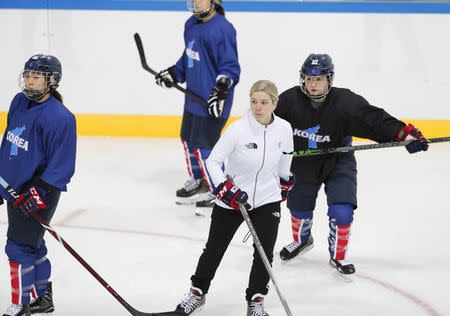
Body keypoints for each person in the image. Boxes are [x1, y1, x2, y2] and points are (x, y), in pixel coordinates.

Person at [275, 53, 429, 275]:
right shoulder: (289, 100)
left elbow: (373, 119)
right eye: (309, 78)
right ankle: (302, 241)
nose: (313, 84)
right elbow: (268, 125)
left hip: (338, 160)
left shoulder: (345, 101)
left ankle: (338, 256)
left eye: (319, 79)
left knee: (343, 211)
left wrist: (402, 133)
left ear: (329, 79)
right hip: (302, 162)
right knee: (298, 208)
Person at [170, 80, 294, 316]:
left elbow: (286, 155)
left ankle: (256, 300)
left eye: (264, 102)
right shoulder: (238, 130)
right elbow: (213, 161)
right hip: (232, 198)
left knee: (264, 252)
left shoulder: (284, 129)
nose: (257, 107)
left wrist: (285, 180)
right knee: (214, 249)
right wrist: (223, 187)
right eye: (254, 101)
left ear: (274, 104)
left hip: (267, 198)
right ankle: (197, 292)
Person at [0, 54, 77, 316]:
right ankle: (42, 298)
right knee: (33, 244)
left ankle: (20, 305)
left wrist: (38, 190)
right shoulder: (18, 101)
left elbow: (63, 165)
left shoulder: (61, 118)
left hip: (38, 193)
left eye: (37, 77)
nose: (30, 81)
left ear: (52, 81)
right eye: (28, 75)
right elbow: (10, 143)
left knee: (18, 246)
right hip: (13, 188)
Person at [155, 0, 240, 213]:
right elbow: (189, 58)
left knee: (205, 148)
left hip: (211, 102)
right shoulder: (190, 24)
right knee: (188, 141)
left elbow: (230, 66)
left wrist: (221, 90)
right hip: (193, 99)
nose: (194, 2)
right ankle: (200, 180)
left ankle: (219, 191)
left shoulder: (223, 29)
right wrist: (174, 73)